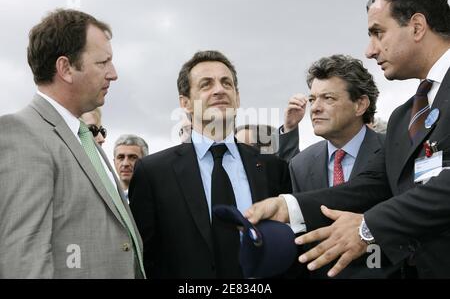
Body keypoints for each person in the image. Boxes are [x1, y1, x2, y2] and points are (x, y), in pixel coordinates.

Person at [246, 0, 450, 279]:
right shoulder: (403, 117)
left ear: (417, 26)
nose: (369, 50)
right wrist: (289, 206)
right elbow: (370, 188)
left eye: (378, 33)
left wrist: (369, 226)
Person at [0, 9, 144, 278]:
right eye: (103, 63)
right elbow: (24, 262)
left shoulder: (85, 137)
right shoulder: (22, 135)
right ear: (65, 68)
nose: (113, 74)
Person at [129, 50, 291, 278]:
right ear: (185, 103)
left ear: (238, 96)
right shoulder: (153, 173)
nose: (219, 90)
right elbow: (144, 257)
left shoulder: (274, 168)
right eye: (206, 84)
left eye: (227, 83)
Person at [289, 54, 395, 278]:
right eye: (312, 99)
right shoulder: (299, 164)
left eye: (328, 98)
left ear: (360, 105)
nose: (315, 108)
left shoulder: (394, 152)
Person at [113, 134, 149, 201]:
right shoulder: (107, 197)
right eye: (120, 157)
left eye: (133, 157)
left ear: (145, 161)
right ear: (114, 162)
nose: (125, 163)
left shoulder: (157, 196)